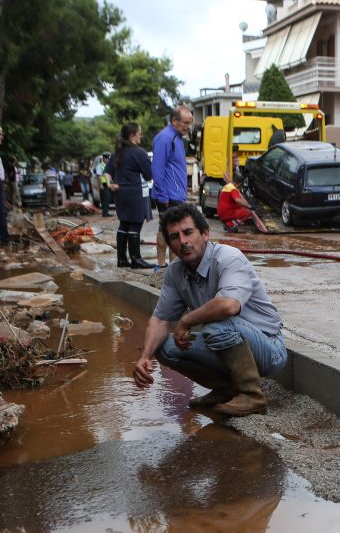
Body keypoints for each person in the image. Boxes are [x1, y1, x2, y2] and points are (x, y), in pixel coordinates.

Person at [132, 204, 287, 417]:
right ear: (170, 244)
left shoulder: (228, 257)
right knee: (163, 347)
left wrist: (186, 321)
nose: (183, 241)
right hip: (229, 339)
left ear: (205, 233)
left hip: (269, 348)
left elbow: (228, 305)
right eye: (175, 237)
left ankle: (252, 395)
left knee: (216, 326)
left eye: (188, 232)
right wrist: (145, 356)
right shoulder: (175, 272)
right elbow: (160, 320)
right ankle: (226, 390)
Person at [106, 122, 154, 269]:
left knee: (124, 224)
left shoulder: (117, 152)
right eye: (140, 133)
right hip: (134, 193)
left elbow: (107, 172)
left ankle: (121, 259)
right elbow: (149, 176)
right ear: (133, 136)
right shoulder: (139, 152)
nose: (141, 136)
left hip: (119, 193)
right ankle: (136, 259)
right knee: (135, 224)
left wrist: (109, 184)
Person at [152, 105, 194, 269]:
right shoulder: (165, 138)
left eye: (190, 123)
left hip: (176, 194)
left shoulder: (177, 138)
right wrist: (162, 195)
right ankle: (162, 265)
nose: (188, 127)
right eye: (185, 123)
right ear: (174, 121)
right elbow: (157, 168)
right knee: (168, 230)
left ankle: (173, 267)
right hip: (169, 195)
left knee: (173, 230)